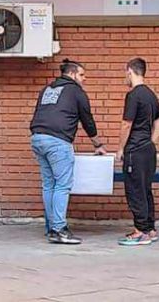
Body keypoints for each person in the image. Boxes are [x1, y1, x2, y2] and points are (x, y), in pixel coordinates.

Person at [29, 59, 105, 245]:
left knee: (49, 184)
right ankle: (59, 229)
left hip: (38, 138)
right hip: (58, 141)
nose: (84, 79)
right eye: (82, 75)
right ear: (72, 74)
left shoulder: (47, 89)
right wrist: (97, 144)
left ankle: (51, 228)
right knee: (62, 185)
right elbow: (87, 119)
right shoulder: (76, 91)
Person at [116, 58, 159, 247]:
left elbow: (126, 124)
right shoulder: (150, 94)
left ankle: (140, 232)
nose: (125, 77)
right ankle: (150, 229)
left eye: (125, 73)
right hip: (148, 150)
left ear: (130, 71)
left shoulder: (134, 95)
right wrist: (152, 140)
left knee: (135, 191)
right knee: (146, 189)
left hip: (134, 150)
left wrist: (121, 148)